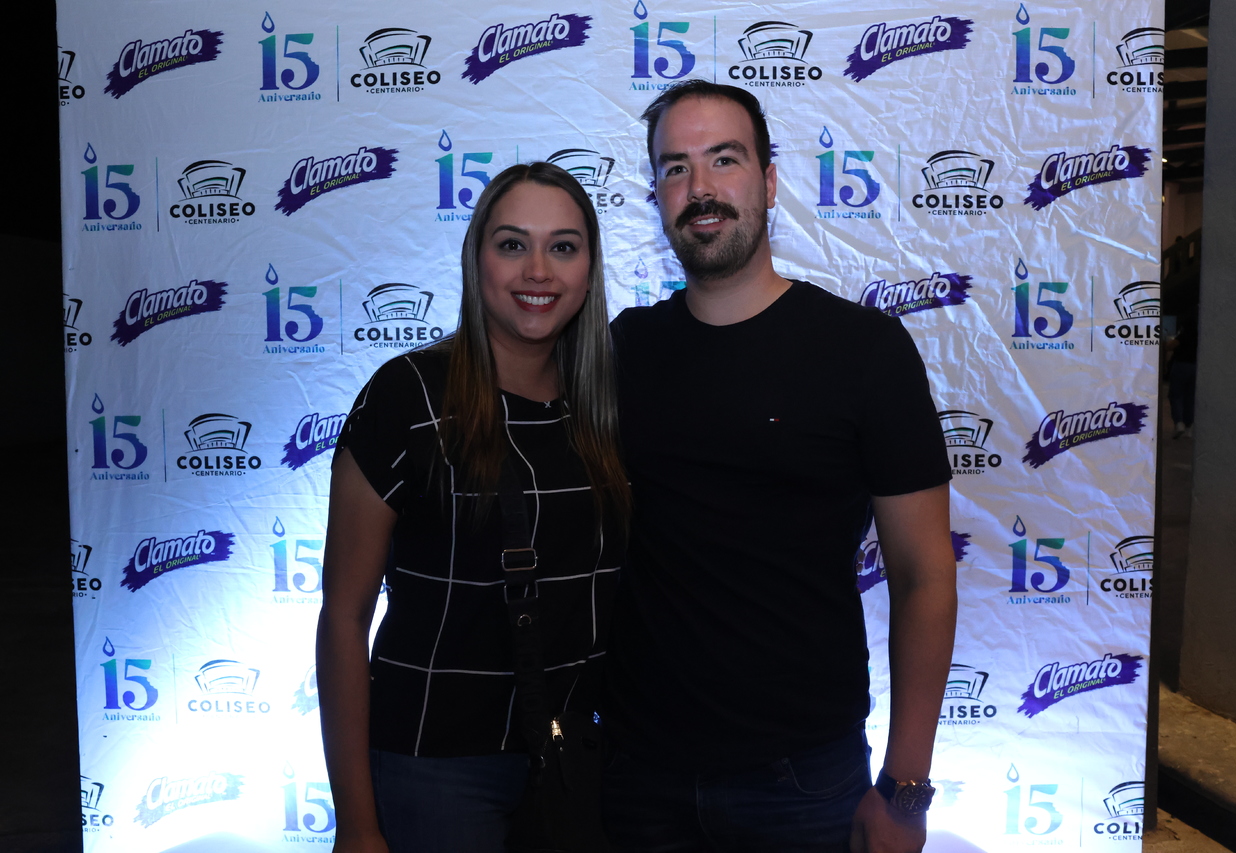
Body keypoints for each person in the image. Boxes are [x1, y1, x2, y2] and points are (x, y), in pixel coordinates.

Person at [602, 80, 958, 853]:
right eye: (675, 167)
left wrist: (905, 788)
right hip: (634, 774)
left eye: (724, 160)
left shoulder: (864, 351)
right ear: (656, 194)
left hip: (803, 781)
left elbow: (925, 574)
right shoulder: (623, 349)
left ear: (768, 180)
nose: (700, 188)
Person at [317, 162, 629, 853]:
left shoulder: (606, 407)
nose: (538, 270)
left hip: (573, 765)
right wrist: (357, 825)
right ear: (476, 260)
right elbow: (343, 616)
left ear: (589, 270)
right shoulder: (407, 396)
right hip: (434, 770)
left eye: (564, 247)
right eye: (513, 244)